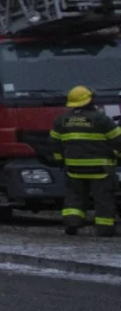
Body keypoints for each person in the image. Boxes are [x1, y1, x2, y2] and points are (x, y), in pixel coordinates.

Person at [52, 85, 117, 237]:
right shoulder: (101, 119)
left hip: (74, 169)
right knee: (103, 199)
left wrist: (60, 161)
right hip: (100, 170)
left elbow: (54, 143)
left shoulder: (62, 120)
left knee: (74, 197)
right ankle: (104, 229)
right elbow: (117, 140)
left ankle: (72, 222)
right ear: (90, 101)